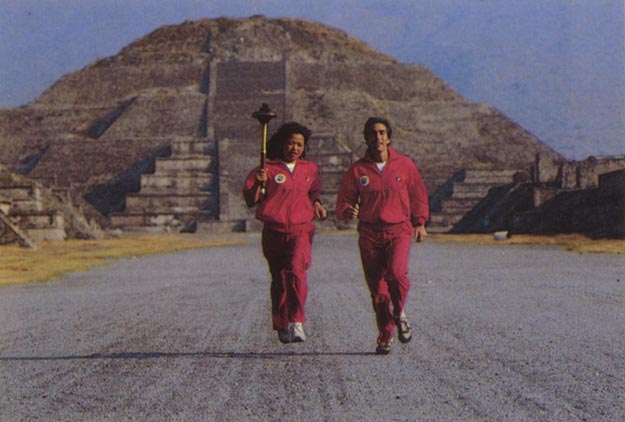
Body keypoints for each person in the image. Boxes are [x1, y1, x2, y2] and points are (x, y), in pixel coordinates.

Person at [335, 117, 429, 355]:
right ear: (366, 138)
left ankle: (399, 312)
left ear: (388, 137)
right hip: (369, 233)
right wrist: (348, 210)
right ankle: (385, 336)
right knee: (378, 291)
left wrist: (420, 223)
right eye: (373, 133)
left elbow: (418, 195)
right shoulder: (357, 170)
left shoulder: (405, 165)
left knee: (397, 276)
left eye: (382, 133)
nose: (378, 138)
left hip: (398, 230)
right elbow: (344, 201)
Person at [243, 121, 327, 344]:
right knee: (279, 279)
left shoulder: (310, 169)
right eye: (290, 143)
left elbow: (313, 192)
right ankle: (281, 321)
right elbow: (251, 200)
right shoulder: (266, 169)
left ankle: (296, 320)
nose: (295, 148)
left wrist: (317, 203)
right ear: (281, 145)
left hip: (301, 229)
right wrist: (257, 185)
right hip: (273, 230)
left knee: (296, 272)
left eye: (299, 144)